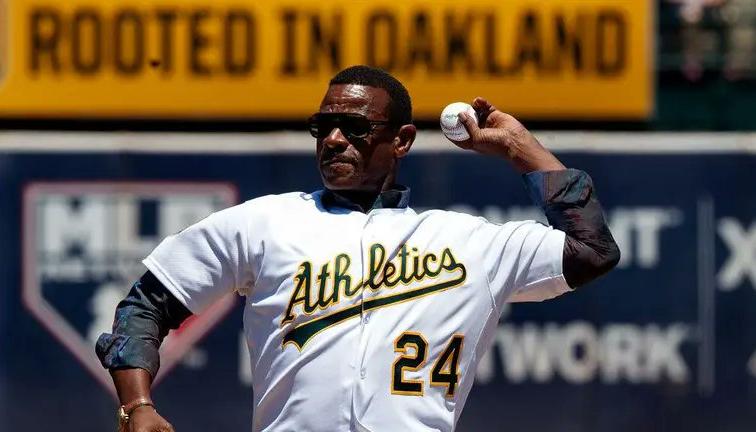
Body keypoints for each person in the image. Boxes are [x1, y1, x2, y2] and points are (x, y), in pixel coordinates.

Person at [96, 65, 620, 432]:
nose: (334, 139)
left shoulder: (472, 244)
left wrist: (520, 148)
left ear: (403, 140)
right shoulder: (264, 222)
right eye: (323, 126)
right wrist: (135, 406)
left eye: (355, 127)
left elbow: (592, 250)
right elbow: (145, 306)